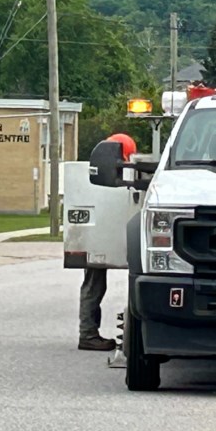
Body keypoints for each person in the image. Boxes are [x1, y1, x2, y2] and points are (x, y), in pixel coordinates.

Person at [78, 132, 137, 351]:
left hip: (100, 235)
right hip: (104, 235)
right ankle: (88, 334)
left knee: (94, 285)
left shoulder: (97, 174)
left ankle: (90, 332)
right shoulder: (105, 178)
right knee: (94, 285)